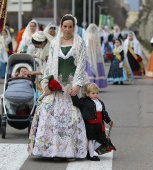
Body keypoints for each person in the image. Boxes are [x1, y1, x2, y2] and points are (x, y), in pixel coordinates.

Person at [28, 14, 89, 159]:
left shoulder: (79, 43)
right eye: (65, 26)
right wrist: (46, 84)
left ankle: (69, 151)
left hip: (71, 87)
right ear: (61, 27)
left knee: (70, 118)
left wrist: (78, 85)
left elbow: (81, 65)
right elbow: (49, 67)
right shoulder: (55, 43)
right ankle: (51, 150)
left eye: (70, 26)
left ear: (74, 27)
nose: (67, 29)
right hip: (56, 86)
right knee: (49, 113)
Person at [70, 82, 114, 161]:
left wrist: (109, 121)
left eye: (97, 93)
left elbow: (104, 113)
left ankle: (88, 151)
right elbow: (76, 103)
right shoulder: (84, 101)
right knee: (91, 140)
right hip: (90, 125)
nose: (95, 95)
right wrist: (73, 95)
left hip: (100, 125)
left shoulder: (100, 102)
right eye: (93, 93)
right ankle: (91, 155)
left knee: (102, 139)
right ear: (87, 94)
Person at [86, 23, 108, 88]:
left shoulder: (87, 35)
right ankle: (97, 84)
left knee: (89, 69)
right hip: (96, 54)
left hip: (89, 54)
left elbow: (86, 46)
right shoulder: (96, 36)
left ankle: (90, 85)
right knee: (97, 68)